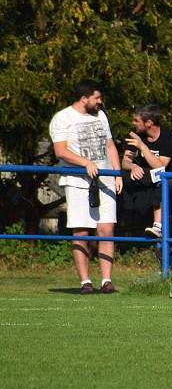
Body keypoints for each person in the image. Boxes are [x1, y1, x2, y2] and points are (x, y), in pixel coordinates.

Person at [49, 80, 123, 294]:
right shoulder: (62, 118)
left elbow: (110, 145)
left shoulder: (100, 116)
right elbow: (60, 151)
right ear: (84, 99)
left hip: (105, 180)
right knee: (81, 230)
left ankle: (107, 280)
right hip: (78, 182)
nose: (100, 102)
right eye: (97, 98)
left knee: (106, 229)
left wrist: (117, 174)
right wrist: (85, 163)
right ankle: (85, 282)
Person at [120, 104, 172, 239]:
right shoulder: (135, 135)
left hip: (170, 179)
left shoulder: (169, 137)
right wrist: (133, 167)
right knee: (125, 177)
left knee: (160, 183)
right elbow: (125, 162)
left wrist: (142, 147)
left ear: (149, 123)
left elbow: (161, 167)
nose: (133, 123)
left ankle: (158, 226)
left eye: (137, 121)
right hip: (147, 176)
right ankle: (128, 223)